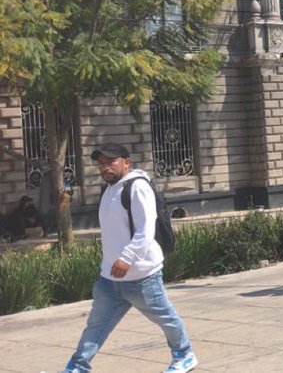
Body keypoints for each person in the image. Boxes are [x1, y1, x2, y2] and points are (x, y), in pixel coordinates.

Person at [64, 144, 197, 373]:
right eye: (101, 163)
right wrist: (109, 264)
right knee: (96, 326)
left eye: (110, 161)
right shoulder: (109, 190)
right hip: (110, 278)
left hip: (142, 276)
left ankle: (184, 354)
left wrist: (127, 258)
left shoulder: (137, 187)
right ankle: (78, 366)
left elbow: (146, 229)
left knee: (166, 318)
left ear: (126, 162)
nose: (105, 167)